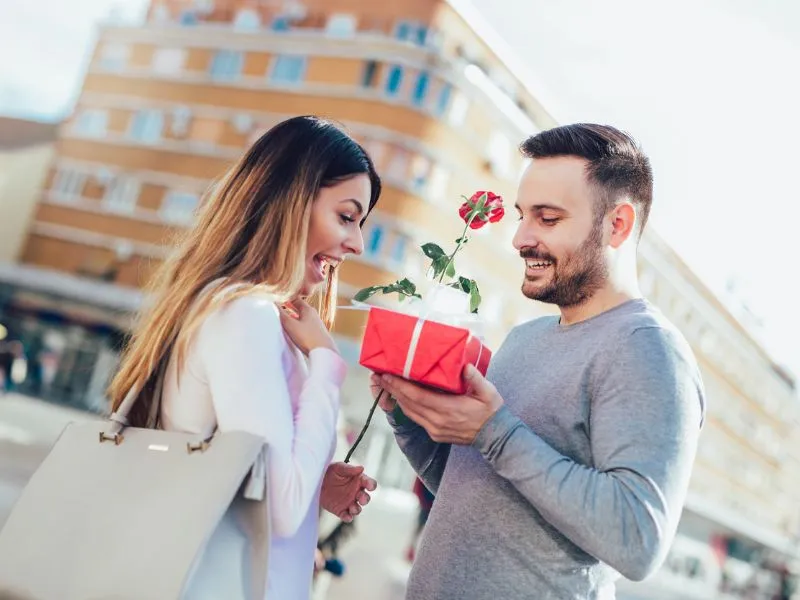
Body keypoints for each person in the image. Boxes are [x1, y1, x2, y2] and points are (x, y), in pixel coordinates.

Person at [372, 124, 706, 599]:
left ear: (618, 224)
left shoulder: (648, 350)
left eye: (547, 219)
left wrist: (494, 431)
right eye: (522, 215)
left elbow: (637, 540)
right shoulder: (524, 338)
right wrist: (408, 416)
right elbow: (476, 495)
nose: (520, 238)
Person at [108, 115, 380, 599]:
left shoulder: (241, 311)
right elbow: (281, 508)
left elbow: (243, 480)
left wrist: (316, 482)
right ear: (291, 203)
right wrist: (326, 363)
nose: (357, 242)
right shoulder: (244, 314)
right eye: (346, 216)